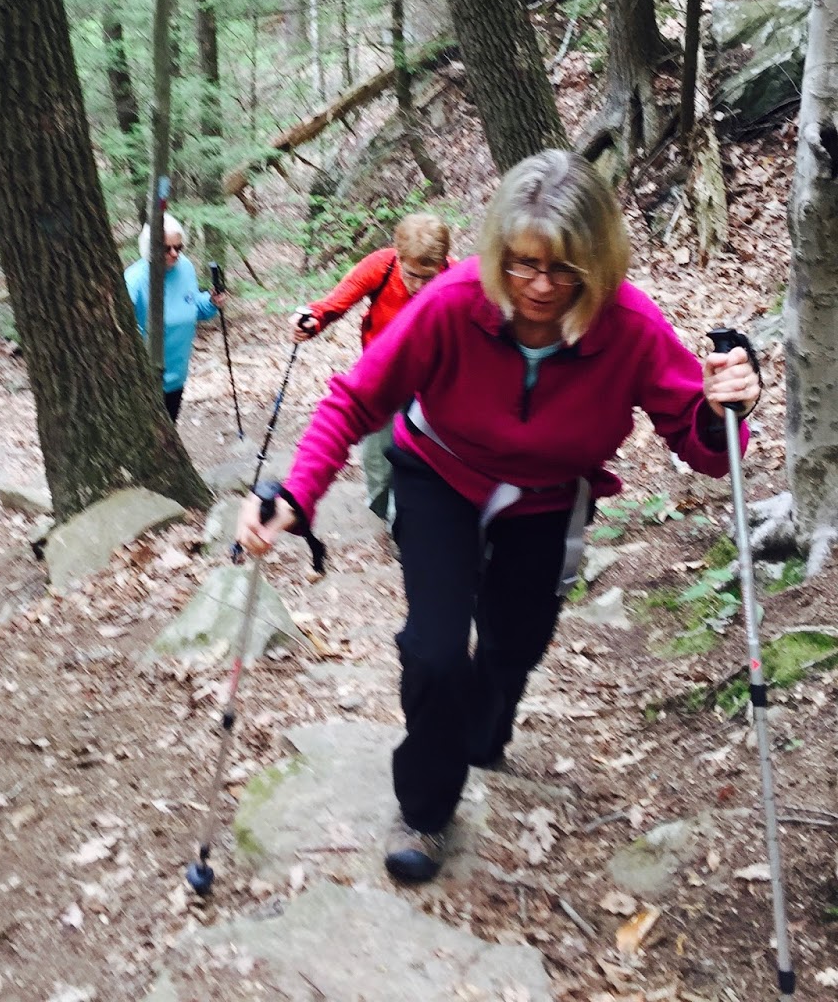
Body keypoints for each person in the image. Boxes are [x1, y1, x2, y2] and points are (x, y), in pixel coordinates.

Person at [238, 150, 759, 884]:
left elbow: (705, 449)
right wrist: (297, 494)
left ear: (598, 261)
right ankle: (424, 809)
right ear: (497, 254)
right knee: (435, 648)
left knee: (515, 645)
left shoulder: (631, 326)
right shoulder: (454, 302)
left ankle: (482, 739)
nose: (540, 287)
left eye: (564, 268)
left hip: (547, 497)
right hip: (441, 475)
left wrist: (729, 411)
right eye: (521, 264)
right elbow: (355, 398)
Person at [293, 213, 454, 519]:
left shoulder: (455, 277)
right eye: (412, 275)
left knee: (423, 461)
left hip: (431, 387)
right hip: (384, 379)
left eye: (427, 277)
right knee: (377, 461)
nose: (419, 286)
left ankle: (408, 525)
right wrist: (311, 320)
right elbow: (335, 303)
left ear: (442, 264)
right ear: (400, 256)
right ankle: (387, 512)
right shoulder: (382, 265)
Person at [125, 214, 225, 421]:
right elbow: (124, 332)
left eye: (178, 248)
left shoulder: (185, 268)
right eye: (166, 248)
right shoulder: (134, 281)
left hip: (177, 377)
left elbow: (191, 305)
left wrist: (211, 302)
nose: (174, 254)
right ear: (149, 248)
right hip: (147, 381)